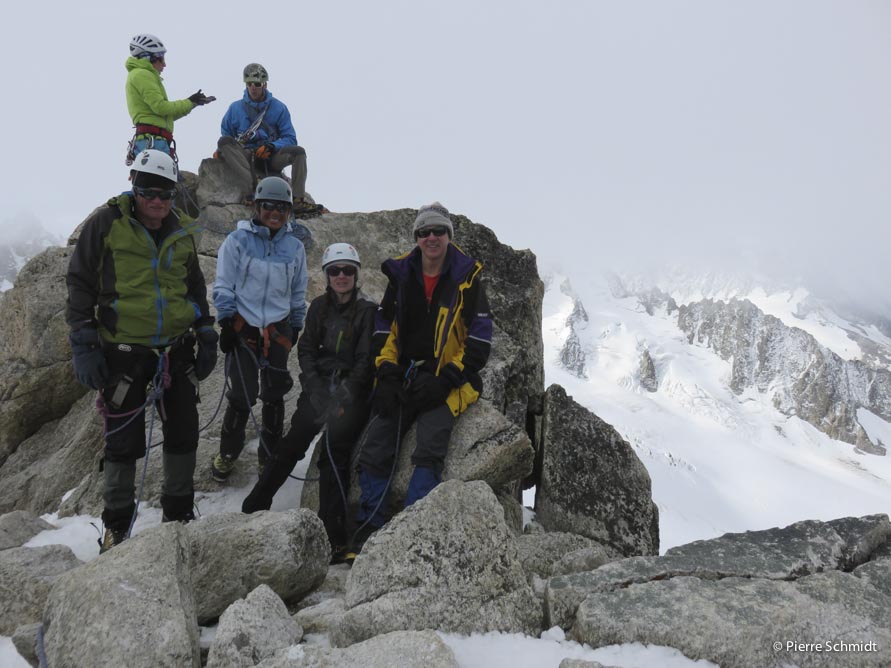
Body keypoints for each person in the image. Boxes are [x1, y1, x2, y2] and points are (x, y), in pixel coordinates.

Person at [66, 149, 218, 553]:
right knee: (122, 441)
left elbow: (194, 287)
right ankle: (116, 526)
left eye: (165, 192)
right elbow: (80, 283)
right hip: (124, 352)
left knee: (183, 432)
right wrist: (84, 344)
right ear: (134, 187)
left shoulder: (182, 232)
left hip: (176, 350)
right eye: (149, 190)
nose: (157, 199)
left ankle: (179, 516)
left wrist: (206, 331)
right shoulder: (107, 224)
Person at [352, 202, 493, 552]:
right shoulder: (402, 276)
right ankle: (372, 531)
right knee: (378, 440)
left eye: (439, 231)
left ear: (449, 236)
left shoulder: (467, 279)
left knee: (430, 443)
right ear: (416, 237)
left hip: (446, 379)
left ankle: (412, 534)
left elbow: (479, 340)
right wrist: (385, 373)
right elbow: (386, 330)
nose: (432, 238)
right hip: (405, 374)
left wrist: (446, 379)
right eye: (424, 232)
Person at [242, 243, 376, 562]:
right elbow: (306, 351)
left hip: (351, 394)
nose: (341, 276)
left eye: (347, 271)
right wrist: (316, 389)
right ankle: (255, 504)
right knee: (292, 444)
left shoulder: (369, 311)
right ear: (327, 275)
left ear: (356, 274)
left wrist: (343, 395)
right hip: (319, 389)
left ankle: (333, 536)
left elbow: (365, 359)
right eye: (335, 271)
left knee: (334, 454)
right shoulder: (318, 307)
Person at [211, 176, 308, 482]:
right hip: (244, 326)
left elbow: (297, 291)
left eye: (282, 207)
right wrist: (226, 321)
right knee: (242, 394)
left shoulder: (294, 248)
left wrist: (296, 325)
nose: (275, 212)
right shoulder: (237, 241)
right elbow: (224, 283)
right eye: (269, 206)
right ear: (257, 206)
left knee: (275, 392)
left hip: (278, 327)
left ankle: (269, 456)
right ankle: (228, 453)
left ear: (289, 211)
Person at [216, 63, 322, 215]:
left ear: (264, 84)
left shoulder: (279, 108)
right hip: (246, 156)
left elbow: (290, 138)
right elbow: (227, 133)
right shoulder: (235, 109)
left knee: (298, 152)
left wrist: (272, 146)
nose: (253, 87)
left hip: (270, 157)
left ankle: (298, 200)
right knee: (224, 142)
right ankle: (251, 188)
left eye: (257, 84)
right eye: (249, 83)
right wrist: (221, 151)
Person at [125, 33, 215, 162]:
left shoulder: (141, 75)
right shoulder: (142, 74)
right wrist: (189, 101)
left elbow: (165, 116)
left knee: (160, 182)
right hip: (153, 143)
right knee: (161, 182)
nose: (164, 64)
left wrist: (192, 103)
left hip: (153, 141)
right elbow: (161, 108)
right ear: (148, 58)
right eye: (160, 58)